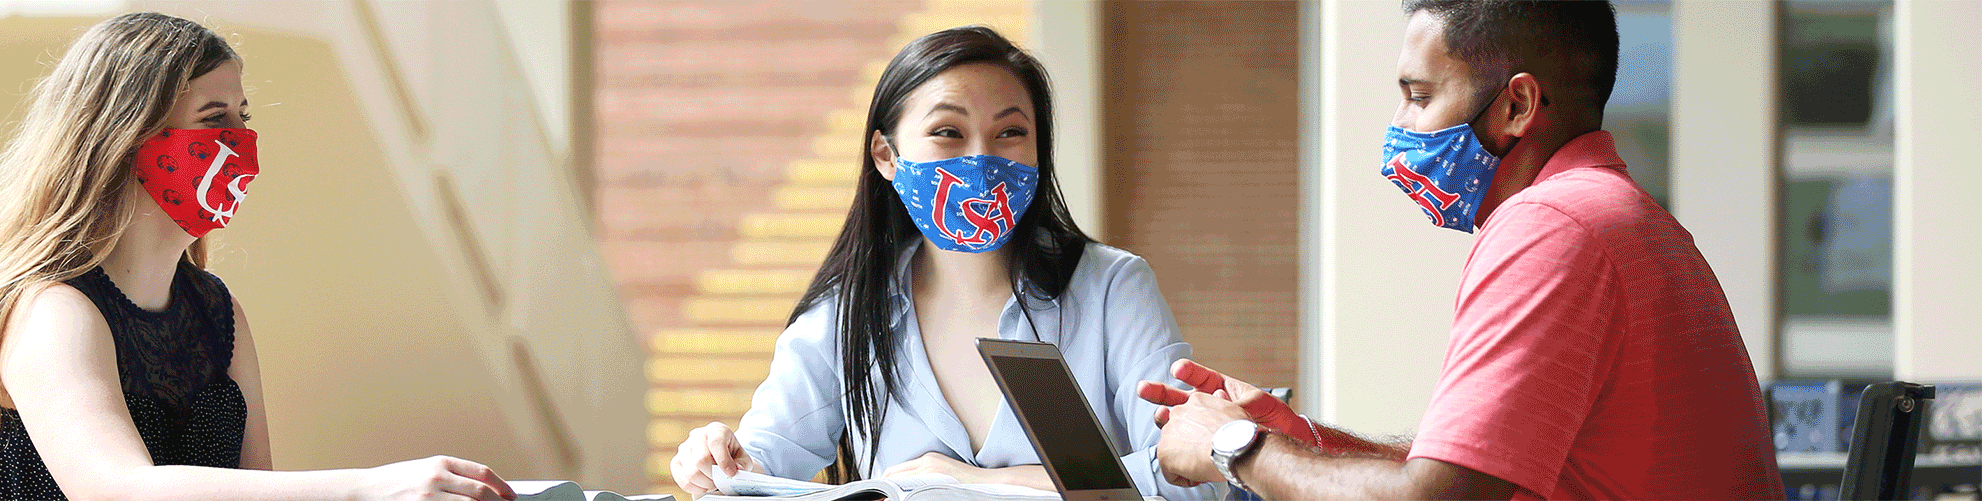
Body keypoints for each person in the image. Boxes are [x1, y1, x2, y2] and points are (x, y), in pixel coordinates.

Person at [1138, 1, 1784, 499]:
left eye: (1420, 96)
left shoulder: (1554, 225)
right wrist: (1296, 439)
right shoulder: (1613, 214)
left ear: (1518, 105)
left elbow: (1439, 497)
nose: (1402, 125)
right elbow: (1474, 469)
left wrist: (1234, 445)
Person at [0, 13, 517, 501]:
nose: (240, 145)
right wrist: (369, 486)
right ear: (125, 136)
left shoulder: (217, 312)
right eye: (213, 118)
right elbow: (114, 489)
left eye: (242, 118)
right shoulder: (51, 310)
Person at [666, 26, 1224, 500]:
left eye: (1010, 132)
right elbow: (764, 466)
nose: (980, 159)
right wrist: (717, 461)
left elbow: (1195, 476)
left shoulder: (1109, 290)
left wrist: (959, 483)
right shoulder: (850, 306)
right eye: (947, 133)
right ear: (887, 156)